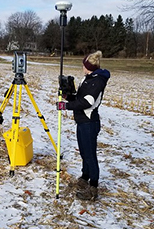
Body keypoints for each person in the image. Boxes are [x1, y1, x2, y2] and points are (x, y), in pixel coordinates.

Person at [56, 50, 110, 201]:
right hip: (82, 121)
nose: (82, 67)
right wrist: (68, 96)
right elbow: (80, 97)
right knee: (84, 152)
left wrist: (66, 107)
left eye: (83, 65)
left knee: (90, 155)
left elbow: (87, 102)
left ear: (88, 66)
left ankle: (93, 188)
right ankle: (84, 177)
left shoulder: (97, 81)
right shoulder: (88, 78)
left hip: (89, 122)